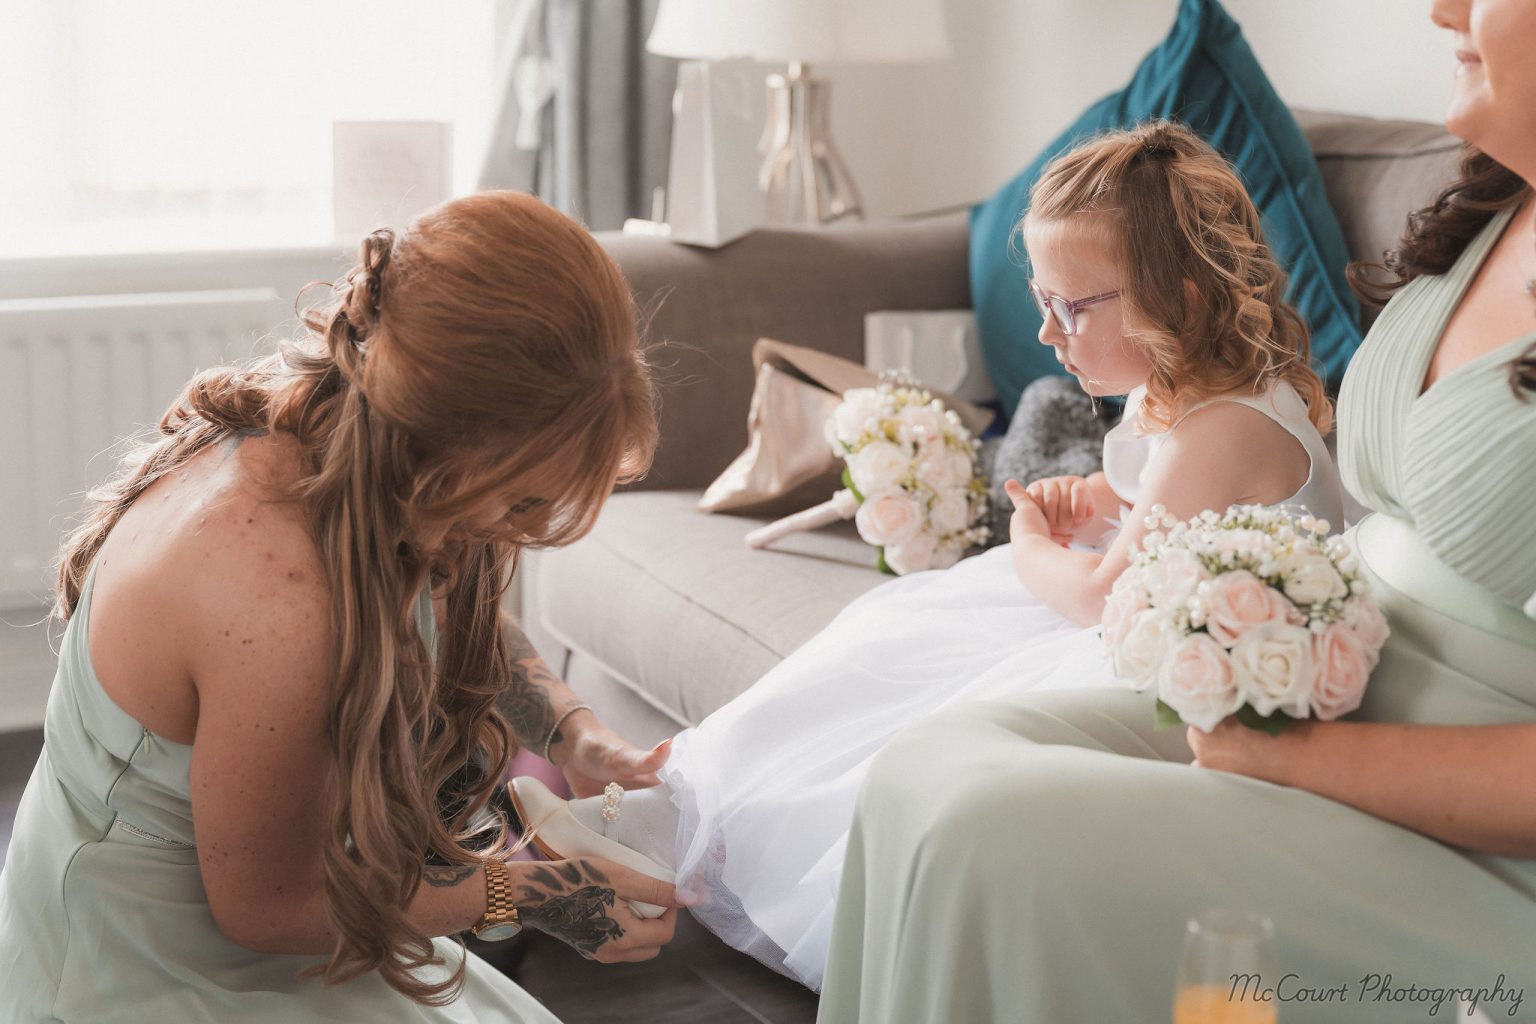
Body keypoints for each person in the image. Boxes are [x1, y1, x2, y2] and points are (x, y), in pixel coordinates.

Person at [815, 0, 1536, 1020]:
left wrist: (1304, 754)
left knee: (987, 828)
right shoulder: (1496, 217)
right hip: (1325, 695)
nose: (1443, 7)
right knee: (921, 770)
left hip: (1469, 841)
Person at [508, 120, 1344, 991]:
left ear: (1184, 297)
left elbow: (1101, 593)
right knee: (874, 645)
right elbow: (1148, 494)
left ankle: (660, 841)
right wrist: (1088, 499)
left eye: (1073, 307)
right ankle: (648, 814)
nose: (1050, 335)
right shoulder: (1186, 394)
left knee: (915, 706)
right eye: (1041, 303)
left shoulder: (1226, 425)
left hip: (1167, 659)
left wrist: (1027, 540)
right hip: (1140, 608)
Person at [0, 191, 686, 1022]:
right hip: (156, 960)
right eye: (521, 504)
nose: (525, 529)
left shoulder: (358, 427)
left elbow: (441, 610)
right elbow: (267, 906)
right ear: (449, 444)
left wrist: (575, 731)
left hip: (301, 913)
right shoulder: (272, 596)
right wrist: (526, 894)